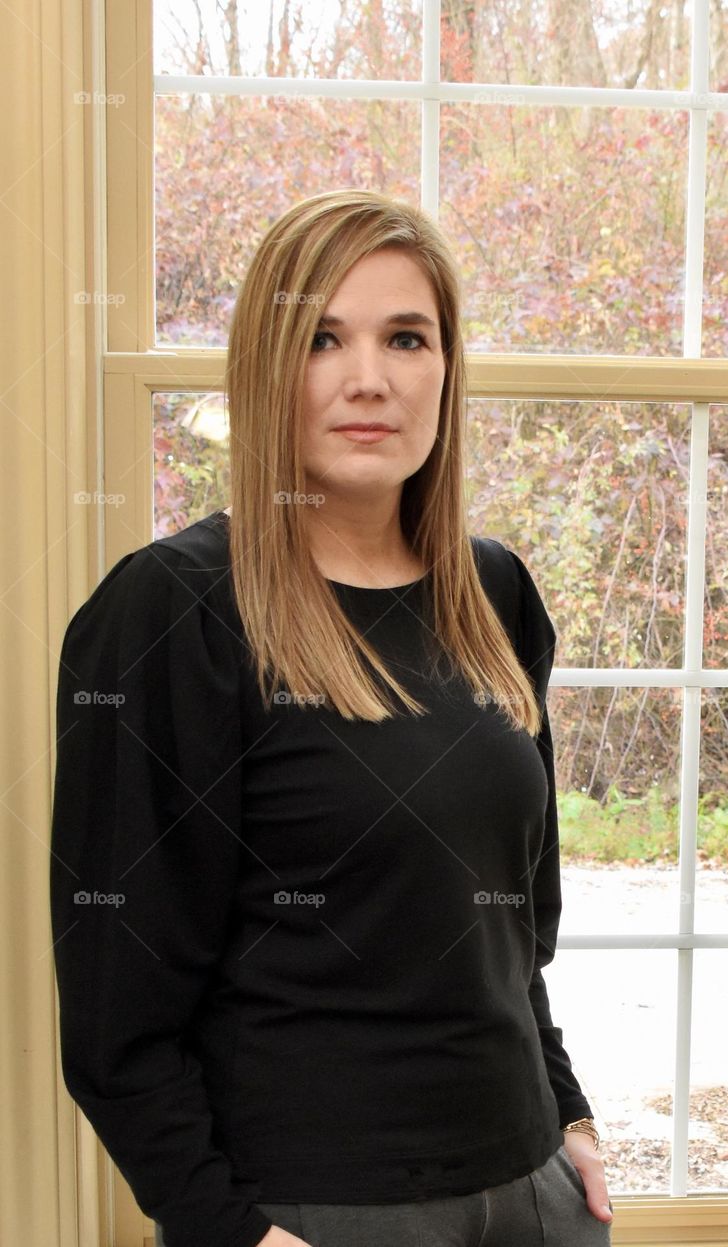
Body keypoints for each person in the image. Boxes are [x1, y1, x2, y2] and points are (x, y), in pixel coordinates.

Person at [49, 189, 613, 1247]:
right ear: (267, 369)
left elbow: (510, 930)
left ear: (446, 366)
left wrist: (568, 1110)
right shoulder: (175, 610)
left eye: (406, 336)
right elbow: (116, 1007)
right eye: (321, 338)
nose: (369, 377)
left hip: (537, 1190)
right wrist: (227, 1229)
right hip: (321, 1209)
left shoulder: (494, 595)